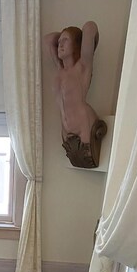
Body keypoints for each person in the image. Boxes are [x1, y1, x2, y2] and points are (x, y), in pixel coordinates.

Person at [44, 21, 107, 168]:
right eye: (59, 42)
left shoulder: (82, 67)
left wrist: (78, 38)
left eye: (65, 41)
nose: (60, 44)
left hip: (84, 124)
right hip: (65, 129)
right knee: (75, 162)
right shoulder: (59, 70)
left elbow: (90, 27)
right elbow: (48, 40)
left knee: (87, 159)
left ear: (77, 45)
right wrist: (65, 35)